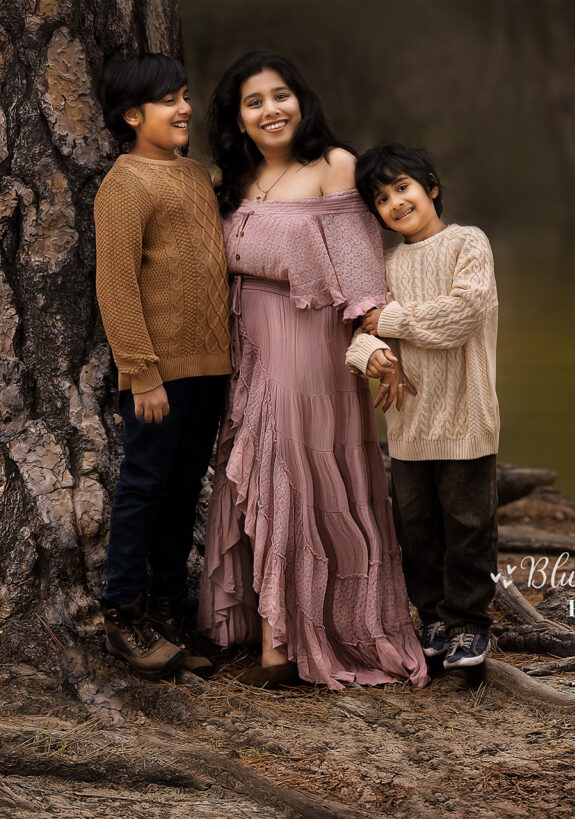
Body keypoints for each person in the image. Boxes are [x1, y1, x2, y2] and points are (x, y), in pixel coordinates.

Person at [198, 53, 429, 690]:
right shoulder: (233, 178)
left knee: (294, 469)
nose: (271, 110)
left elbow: (360, 267)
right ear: (237, 117)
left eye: (281, 96)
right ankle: (269, 622)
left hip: (311, 341)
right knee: (258, 467)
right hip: (247, 341)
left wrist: (376, 338)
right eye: (254, 101)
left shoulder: (335, 166)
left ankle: (291, 641)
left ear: (302, 101)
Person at [94, 53, 230, 678]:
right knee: (144, 485)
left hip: (210, 367)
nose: (183, 109)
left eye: (183, 95)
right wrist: (141, 371)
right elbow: (116, 286)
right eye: (166, 101)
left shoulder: (196, 174)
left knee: (182, 489)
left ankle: (170, 606)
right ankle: (124, 611)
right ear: (131, 115)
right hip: (159, 372)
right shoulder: (125, 183)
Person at [347, 144, 500, 669]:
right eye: (382, 198)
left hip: (466, 416)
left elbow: (464, 313)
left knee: (468, 524)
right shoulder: (383, 268)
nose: (395, 202)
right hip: (409, 425)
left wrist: (393, 321)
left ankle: (470, 625)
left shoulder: (467, 243)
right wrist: (377, 355)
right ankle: (432, 619)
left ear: (430, 186)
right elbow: (356, 335)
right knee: (415, 528)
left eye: (403, 187)